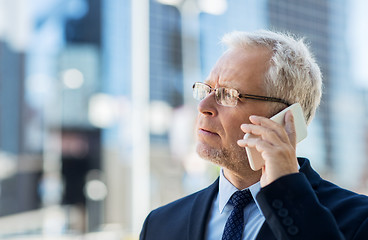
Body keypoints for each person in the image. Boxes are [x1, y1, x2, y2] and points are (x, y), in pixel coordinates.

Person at [139, 30, 368, 240]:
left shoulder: (358, 220)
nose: (203, 106)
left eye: (227, 94)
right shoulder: (159, 224)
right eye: (207, 89)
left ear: (285, 117)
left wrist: (288, 193)